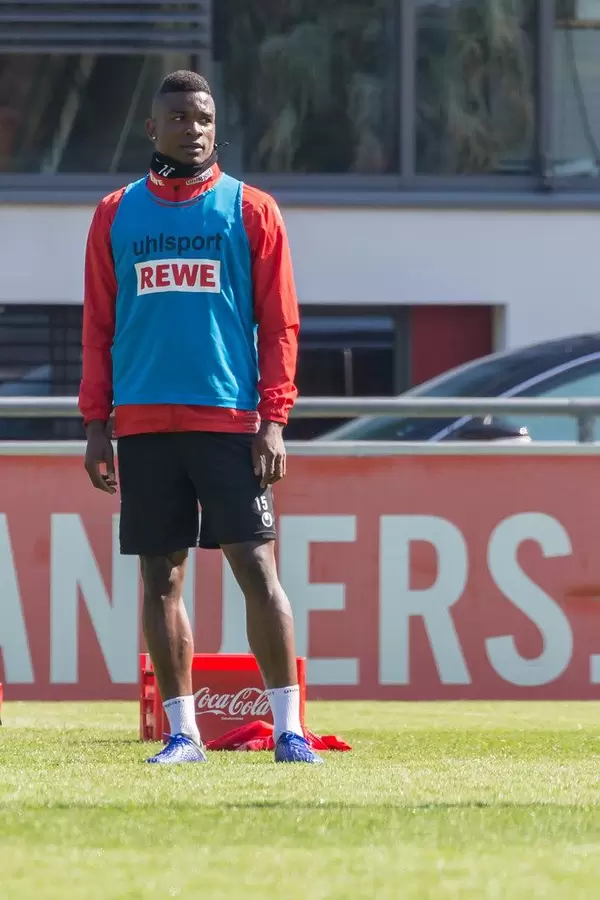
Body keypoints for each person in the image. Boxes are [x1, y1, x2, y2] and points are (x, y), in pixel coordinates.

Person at [79, 70, 321, 765]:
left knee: (256, 566)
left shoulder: (252, 210)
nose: (195, 128)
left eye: (206, 117)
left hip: (230, 422)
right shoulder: (114, 214)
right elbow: (99, 326)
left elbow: (280, 325)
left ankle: (289, 730)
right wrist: (97, 423)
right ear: (151, 129)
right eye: (179, 117)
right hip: (144, 425)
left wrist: (274, 418)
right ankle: (183, 734)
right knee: (161, 577)